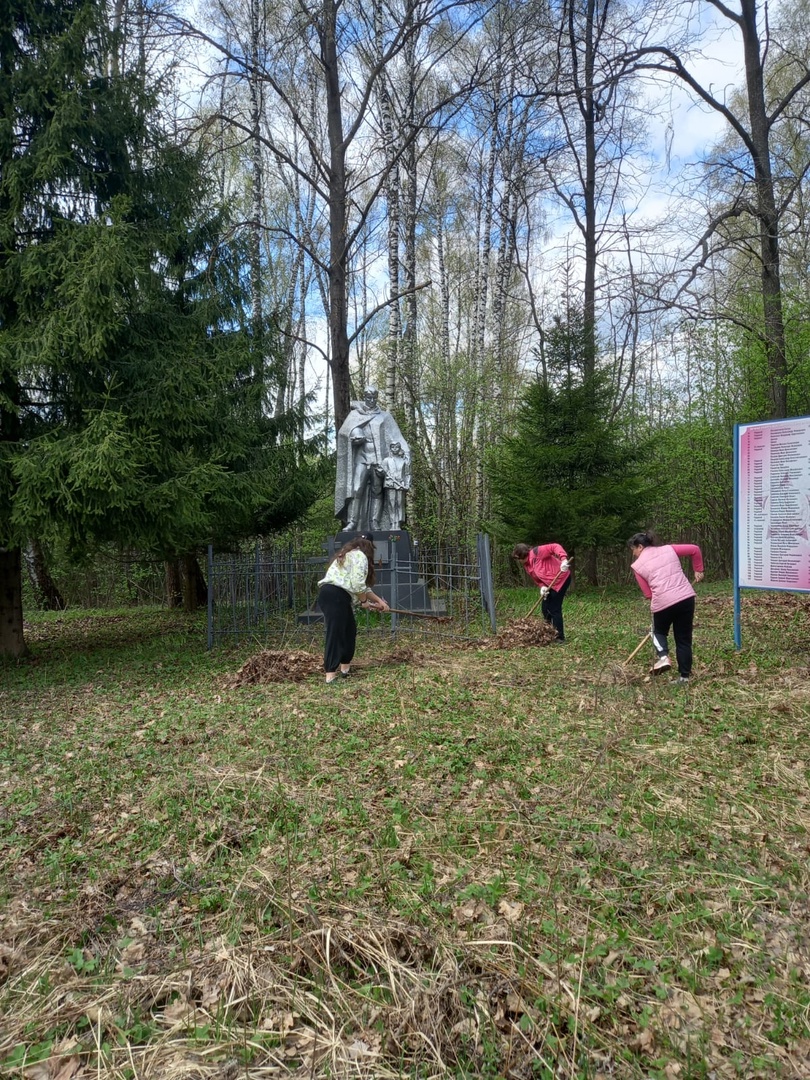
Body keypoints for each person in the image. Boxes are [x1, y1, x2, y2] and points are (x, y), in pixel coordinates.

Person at [628, 531, 704, 683]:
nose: (634, 554)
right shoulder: (670, 549)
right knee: (683, 639)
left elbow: (648, 594)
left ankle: (663, 657)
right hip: (686, 598)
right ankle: (684, 677)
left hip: (663, 602)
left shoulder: (637, 566)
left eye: (634, 550)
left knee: (656, 631)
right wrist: (698, 569)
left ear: (640, 547)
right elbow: (695, 549)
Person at [334, 387, 410, 533]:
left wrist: (406, 452)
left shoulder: (384, 416)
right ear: (364, 397)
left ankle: (375, 521)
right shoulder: (354, 415)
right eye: (368, 398)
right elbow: (343, 433)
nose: (371, 401)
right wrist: (354, 434)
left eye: (373, 398)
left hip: (379, 461)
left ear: (376, 398)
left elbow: (397, 437)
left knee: (377, 491)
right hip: (361, 459)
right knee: (357, 489)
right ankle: (352, 522)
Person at [317, 536, 390, 683]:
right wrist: (364, 602)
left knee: (349, 630)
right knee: (336, 632)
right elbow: (357, 585)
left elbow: (361, 587)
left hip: (335, 596)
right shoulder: (360, 556)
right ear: (368, 547)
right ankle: (330, 674)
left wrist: (378, 601)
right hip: (335, 595)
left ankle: (345, 668)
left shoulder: (348, 555)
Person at [512, 542, 571, 642]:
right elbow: (537, 579)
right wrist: (542, 587)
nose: (519, 561)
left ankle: (559, 637)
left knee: (554, 608)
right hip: (549, 585)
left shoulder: (537, 552)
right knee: (545, 609)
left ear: (523, 555)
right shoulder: (527, 566)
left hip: (562, 578)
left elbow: (555, 546)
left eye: (519, 558)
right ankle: (547, 633)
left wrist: (563, 560)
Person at [381, 440, 410, 529]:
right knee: (391, 504)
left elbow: (407, 474)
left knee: (399, 504)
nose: (395, 449)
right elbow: (382, 472)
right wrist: (382, 472)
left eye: (397, 447)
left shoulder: (403, 461)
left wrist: (407, 484)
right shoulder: (386, 460)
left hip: (400, 484)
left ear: (399, 448)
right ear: (390, 449)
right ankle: (392, 523)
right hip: (390, 484)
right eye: (393, 447)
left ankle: (398, 523)